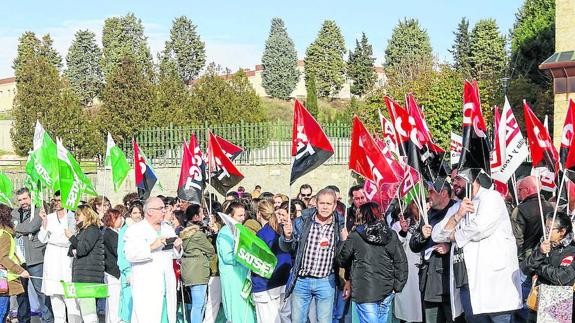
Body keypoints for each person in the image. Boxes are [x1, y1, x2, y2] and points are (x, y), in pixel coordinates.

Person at [432, 170, 522, 322]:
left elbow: (480, 228)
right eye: (453, 180)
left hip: (494, 285)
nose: (454, 183)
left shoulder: (492, 197)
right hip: (470, 286)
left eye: (458, 179)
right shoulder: (459, 206)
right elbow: (436, 234)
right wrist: (457, 216)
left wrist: (455, 236)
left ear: (472, 178)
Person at [280, 188, 347, 323]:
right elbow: (288, 249)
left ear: (334, 205)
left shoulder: (340, 225)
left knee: (324, 320)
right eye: (322, 203)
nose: (325, 207)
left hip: (325, 281)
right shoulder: (302, 221)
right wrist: (287, 237)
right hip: (301, 280)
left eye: (329, 204)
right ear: (316, 203)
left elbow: (344, 257)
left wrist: (344, 241)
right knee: (297, 320)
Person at [336, 202, 408, 323]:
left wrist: (344, 240)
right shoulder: (391, 234)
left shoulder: (355, 236)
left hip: (366, 291)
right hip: (386, 288)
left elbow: (341, 260)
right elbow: (401, 262)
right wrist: (397, 286)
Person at [124, 197, 183, 323]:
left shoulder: (167, 228)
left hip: (167, 282)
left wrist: (178, 247)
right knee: (148, 317)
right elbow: (130, 254)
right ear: (150, 211)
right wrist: (151, 247)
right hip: (147, 284)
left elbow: (174, 255)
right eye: (161, 208)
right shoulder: (135, 230)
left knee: (167, 316)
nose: (164, 211)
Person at [409, 180, 458, 323]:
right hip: (429, 283)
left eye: (431, 191)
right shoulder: (427, 214)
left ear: (443, 193)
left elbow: (466, 238)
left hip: (450, 282)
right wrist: (422, 236)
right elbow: (414, 245)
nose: (428, 195)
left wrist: (450, 247)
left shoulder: (456, 210)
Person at [520, 212, 575, 322]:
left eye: (550, 228)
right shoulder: (543, 245)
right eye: (545, 227)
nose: (546, 231)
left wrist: (539, 267)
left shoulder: (571, 250)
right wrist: (539, 253)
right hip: (536, 301)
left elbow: (561, 278)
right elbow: (525, 268)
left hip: (558, 303)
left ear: (562, 232)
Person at [11, 187, 53, 323]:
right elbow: (12, 228)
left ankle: (47, 319)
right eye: (20, 200)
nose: (23, 202)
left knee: (41, 292)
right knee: (21, 294)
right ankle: (24, 320)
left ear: (30, 198)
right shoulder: (14, 213)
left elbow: (32, 227)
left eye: (25, 198)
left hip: (36, 259)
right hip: (19, 260)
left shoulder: (39, 210)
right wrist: (19, 228)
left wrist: (17, 228)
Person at [38, 193, 81, 323]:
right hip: (52, 256)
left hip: (67, 256)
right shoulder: (49, 217)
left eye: (59, 200)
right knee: (55, 297)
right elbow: (42, 238)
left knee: (71, 299)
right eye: (54, 200)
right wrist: (44, 223)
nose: (57, 203)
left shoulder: (73, 216)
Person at [252, 200, 292, 323]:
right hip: (284, 280)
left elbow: (256, 259)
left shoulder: (262, 234)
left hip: (265, 283)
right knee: (284, 318)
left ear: (259, 213)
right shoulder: (281, 230)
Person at [217, 201, 256, 323]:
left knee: (246, 309)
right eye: (239, 215)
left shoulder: (241, 230)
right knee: (235, 310)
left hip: (243, 274)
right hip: (232, 277)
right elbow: (227, 257)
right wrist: (244, 255)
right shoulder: (224, 232)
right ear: (230, 216)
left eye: (243, 215)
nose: (242, 218)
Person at [65, 205, 105, 323]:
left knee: (89, 313)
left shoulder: (92, 229)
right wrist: (74, 244)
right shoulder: (82, 231)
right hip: (82, 276)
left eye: (78, 215)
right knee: (84, 311)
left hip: (89, 277)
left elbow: (82, 249)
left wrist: (71, 237)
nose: (75, 217)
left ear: (87, 215)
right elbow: (71, 252)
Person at [179, 217, 215, 323]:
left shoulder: (184, 237)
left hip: (188, 271)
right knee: (198, 305)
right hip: (198, 272)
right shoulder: (198, 236)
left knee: (197, 304)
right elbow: (211, 249)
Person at [392, 202, 423, 322]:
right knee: (409, 309)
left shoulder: (428, 222)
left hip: (424, 270)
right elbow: (396, 246)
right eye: (417, 205)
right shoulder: (401, 224)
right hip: (409, 272)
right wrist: (403, 231)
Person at [511, 176, 554, 261]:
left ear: (527, 190)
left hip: (527, 258)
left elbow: (516, 239)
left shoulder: (520, 210)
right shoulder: (551, 207)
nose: (518, 193)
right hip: (548, 254)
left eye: (520, 190)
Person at [0, 204, 30, 322]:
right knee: (2, 313)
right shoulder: (5, 236)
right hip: (3, 280)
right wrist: (20, 270)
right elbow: (3, 257)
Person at [117, 201, 144, 323]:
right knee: (128, 301)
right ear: (130, 214)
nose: (137, 215)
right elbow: (122, 253)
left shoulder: (145, 228)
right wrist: (127, 271)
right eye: (135, 213)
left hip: (141, 271)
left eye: (139, 212)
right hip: (128, 271)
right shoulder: (125, 229)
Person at [103, 209, 124, 323]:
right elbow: (118, 251)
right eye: (119, 217)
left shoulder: (115, 232)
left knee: (112, 302)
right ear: (112, 220)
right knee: (114, 302)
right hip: (113, 271)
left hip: (113, 270)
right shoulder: (110, 234)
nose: (121, 219)